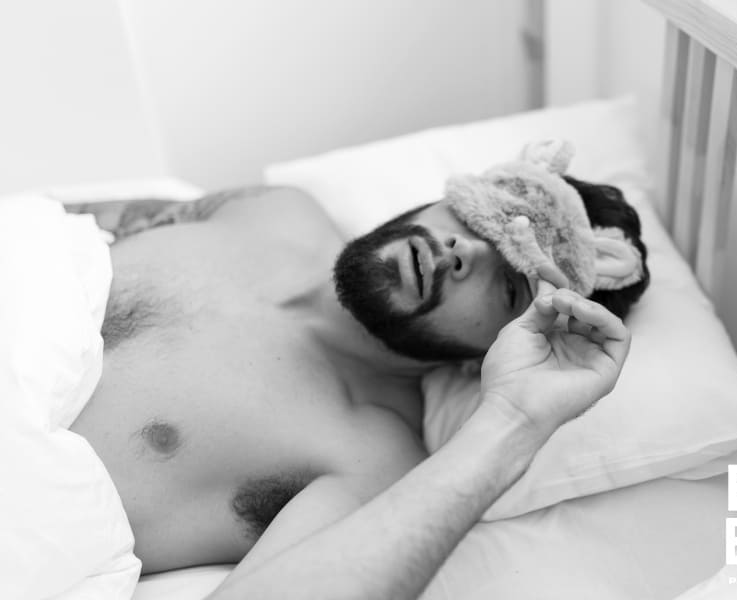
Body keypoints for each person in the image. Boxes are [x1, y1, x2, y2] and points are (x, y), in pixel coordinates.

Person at [64, 162, 649, 597]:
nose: (462, 249)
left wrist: (518, 417)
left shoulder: (370, 458)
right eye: (478, 217)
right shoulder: (272, 210)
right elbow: (52, 226)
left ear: (501, 342)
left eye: (508, 286)